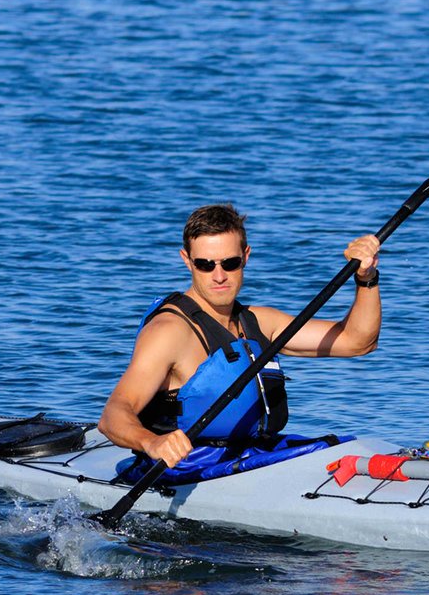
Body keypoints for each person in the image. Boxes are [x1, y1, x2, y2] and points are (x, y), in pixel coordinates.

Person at [98, 203, 380, 477]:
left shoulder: (261, 322)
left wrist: (366, 279)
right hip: (188, 467)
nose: (219, 276)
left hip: (251, 454)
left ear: (246, 256)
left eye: (230, 263)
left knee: (339, 446)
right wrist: (152, 442)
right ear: (187, 260)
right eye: (205, 265)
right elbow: (113, 414)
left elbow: (358, 341)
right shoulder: (169, 331)